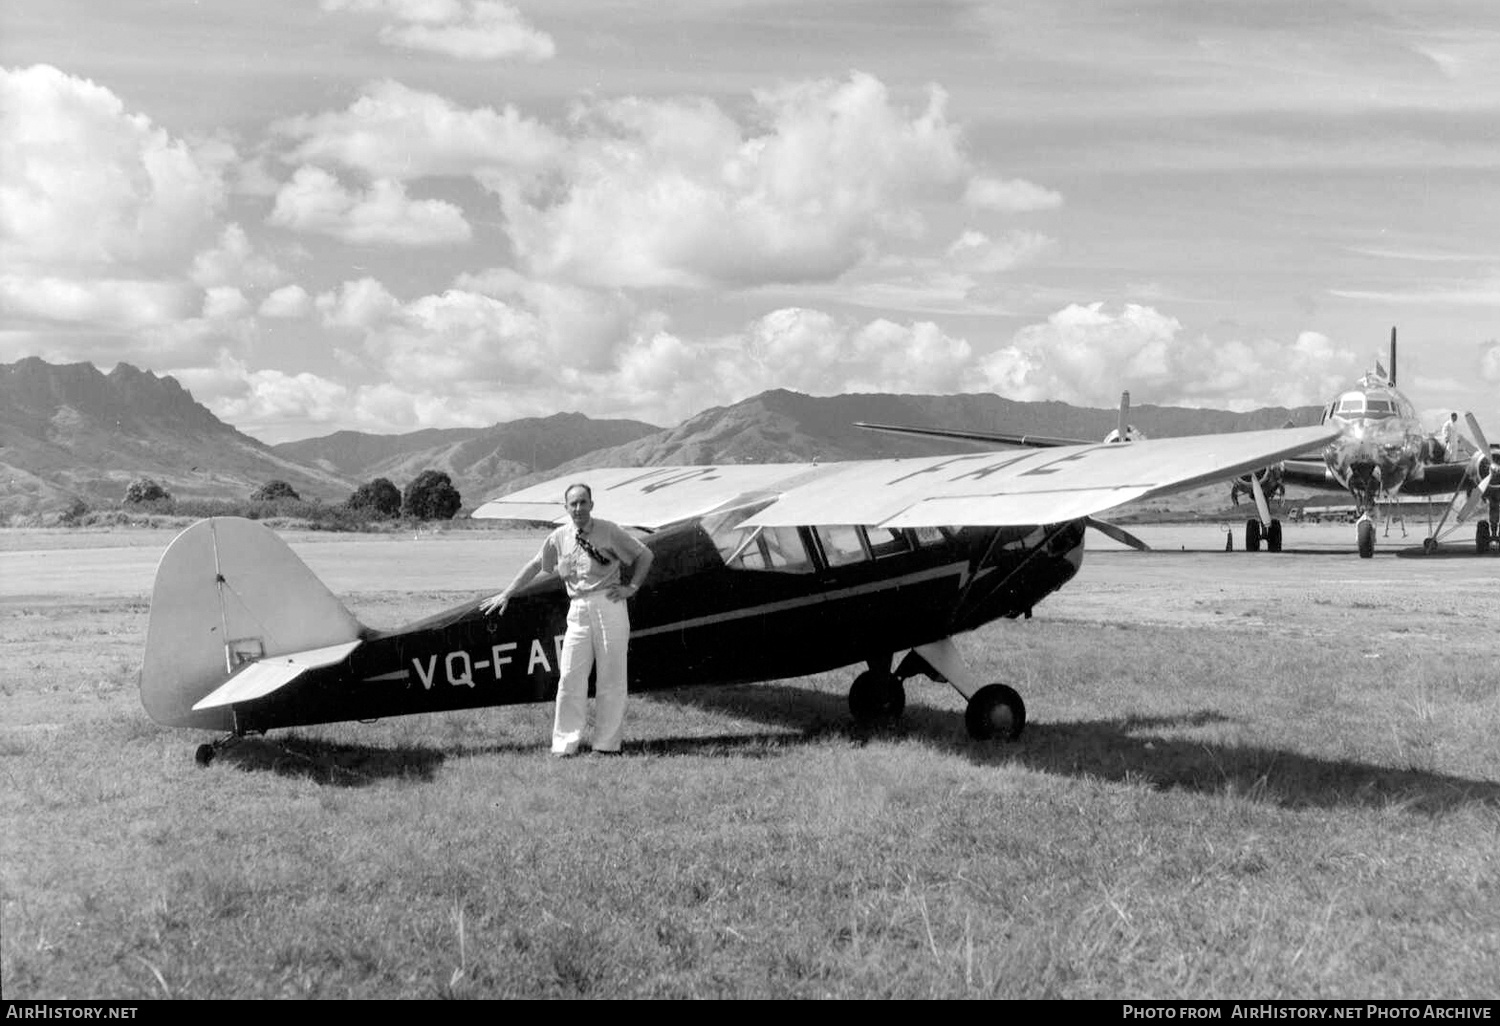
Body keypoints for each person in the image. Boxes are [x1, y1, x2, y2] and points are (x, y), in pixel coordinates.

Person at [480, 483, 653, 757]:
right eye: (573, 504)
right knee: (570, 676)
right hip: (578, 609)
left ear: (592, 505)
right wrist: (507, 593)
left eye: (583, 502)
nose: (578, 508)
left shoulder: (609, 530)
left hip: (609, 605)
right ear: (565, 508)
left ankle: (607, 745)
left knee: (612, 677)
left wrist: (632, 588)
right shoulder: (560, 536)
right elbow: (537, 564)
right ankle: (564, 744)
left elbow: (645, 555)